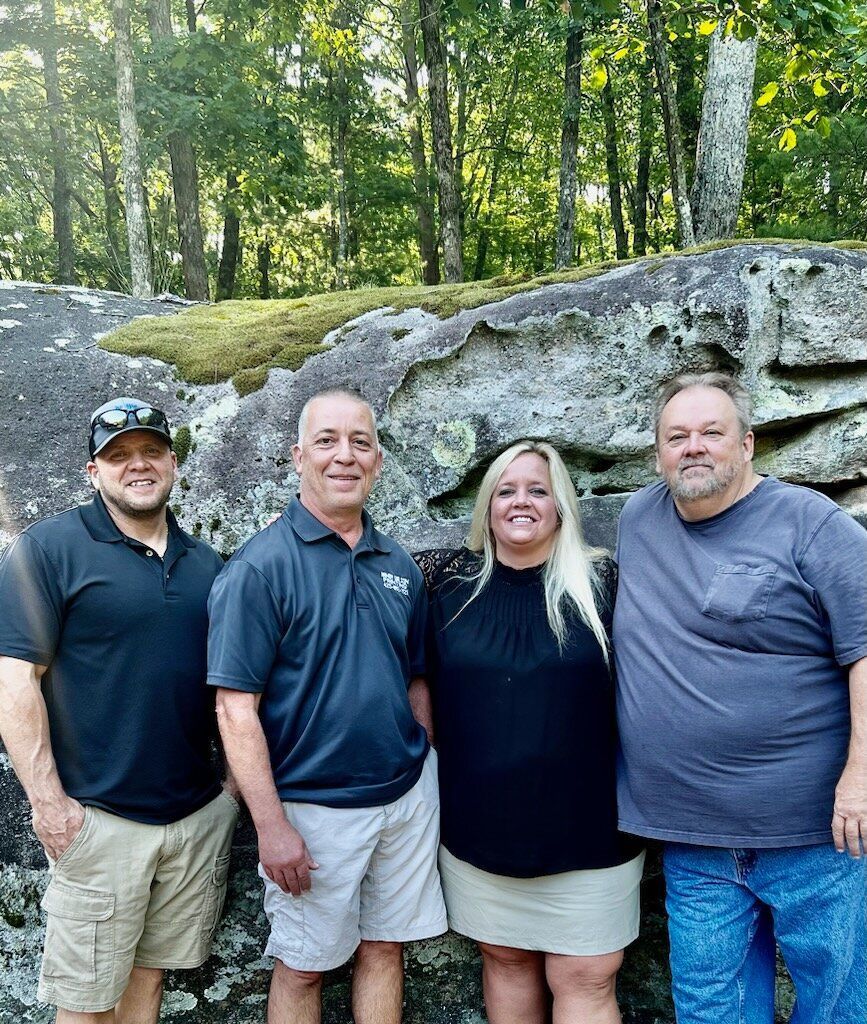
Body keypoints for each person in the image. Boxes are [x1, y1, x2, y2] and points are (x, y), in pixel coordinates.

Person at [613, 371, 867, 1024]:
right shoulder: (638, 519)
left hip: (815, 835)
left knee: (837, 1006)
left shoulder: (811, 524)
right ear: (657, 451)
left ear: (747, 444)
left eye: (710, 433)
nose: (692, 447)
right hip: (691, 836)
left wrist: (861, 776)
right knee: (711, 1014)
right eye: (677, 436)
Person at [207, 387, 447, 1024]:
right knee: (304, 967)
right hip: (312, 812)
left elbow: (414, 677)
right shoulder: (260, 569)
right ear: (297, 458)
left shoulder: (399, 564)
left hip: (404, 801)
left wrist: (426, 767)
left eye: (360, 442)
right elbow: (235, 709)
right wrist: (271, 825)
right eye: (327, 441)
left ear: (378, 460)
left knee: (385, 946)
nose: (345, 456)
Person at [0, 396, 238, 1024]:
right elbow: (15, 678)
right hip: (98, 822)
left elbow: (233, 688)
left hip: (192, 823)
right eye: (118, 455)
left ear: (173, 463)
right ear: (93, 471)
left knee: (149, 983)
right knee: (83, 1005)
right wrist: (48, 804)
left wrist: (229, 797)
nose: (137, 465)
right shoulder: (49, 550)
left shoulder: (207, 565)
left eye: (150, 451)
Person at [416, 440, 644, 1024]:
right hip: (480, 829)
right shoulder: (444, 584)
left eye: (538, 490)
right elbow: (407, 674)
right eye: (507, 490)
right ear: (487, 506)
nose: (522, 501)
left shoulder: (605, 584)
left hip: (592, 833)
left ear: (562, 505)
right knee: (506, 958)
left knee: (587, 975)